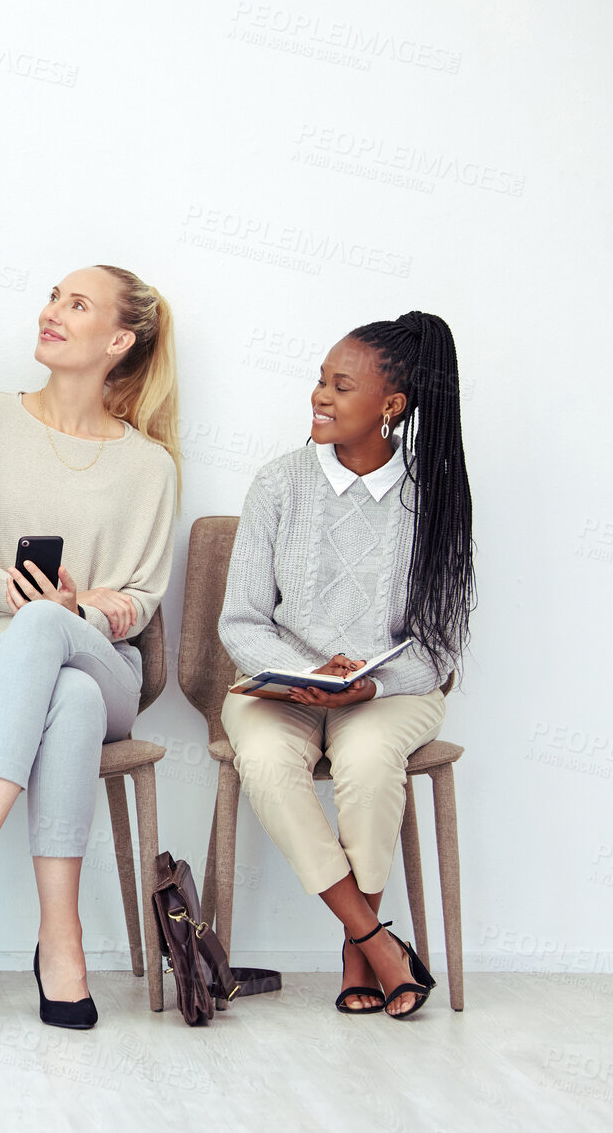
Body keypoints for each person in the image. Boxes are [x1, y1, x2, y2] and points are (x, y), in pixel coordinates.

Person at [0, 266, 180, 1029]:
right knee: (68, 695)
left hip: (102, 658)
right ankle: (61, 939)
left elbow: (141, 596)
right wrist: (18, 594)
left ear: (118, 339)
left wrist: (77, 611)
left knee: (57, 645)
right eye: (52, 296)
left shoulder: (149, 466)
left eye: (76, 304)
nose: (51, 312)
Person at [218, 312, 473, 1020]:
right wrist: (300, 673)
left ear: (391, 407)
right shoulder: (277, 483)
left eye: (339, 385)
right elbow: (239, 619)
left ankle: (356, 954)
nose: (318, 396)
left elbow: (440, 644)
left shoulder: (434, 499)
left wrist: (373, 681)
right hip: (281, 687)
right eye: (318, 380)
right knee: (266, 761)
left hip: (391, 691)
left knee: (364, 761)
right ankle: (372, 938)